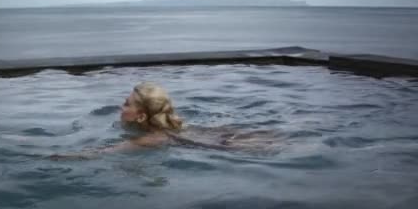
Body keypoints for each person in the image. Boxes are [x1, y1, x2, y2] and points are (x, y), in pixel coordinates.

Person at [49, 82, 279, 160]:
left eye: (126, 104)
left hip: (232, 147)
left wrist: (57, 156)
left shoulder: (151, 139)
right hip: (229, 137)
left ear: (141, 116)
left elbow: (101, 153)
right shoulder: (177, 126)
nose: (121, 108)